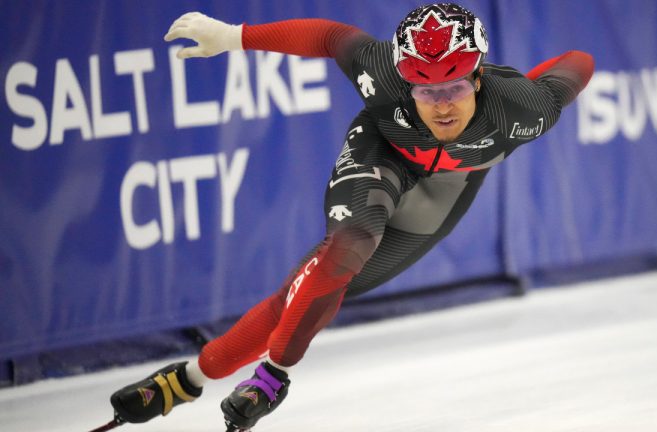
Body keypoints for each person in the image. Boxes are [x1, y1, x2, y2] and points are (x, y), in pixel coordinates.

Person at [108, 3, 594, 431]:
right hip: (382, 151)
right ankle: (265, 378)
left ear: (479, 76)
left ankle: (185, 380)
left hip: (446, 190)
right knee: (343, 252)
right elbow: (329, 37)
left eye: (453, 87)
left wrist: (527, 81)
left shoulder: (523, 109)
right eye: (424, 91)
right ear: (404, 80)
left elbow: (578, 64)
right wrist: (234, 36)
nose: (442, 105)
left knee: (312, 290)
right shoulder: (381, 70)